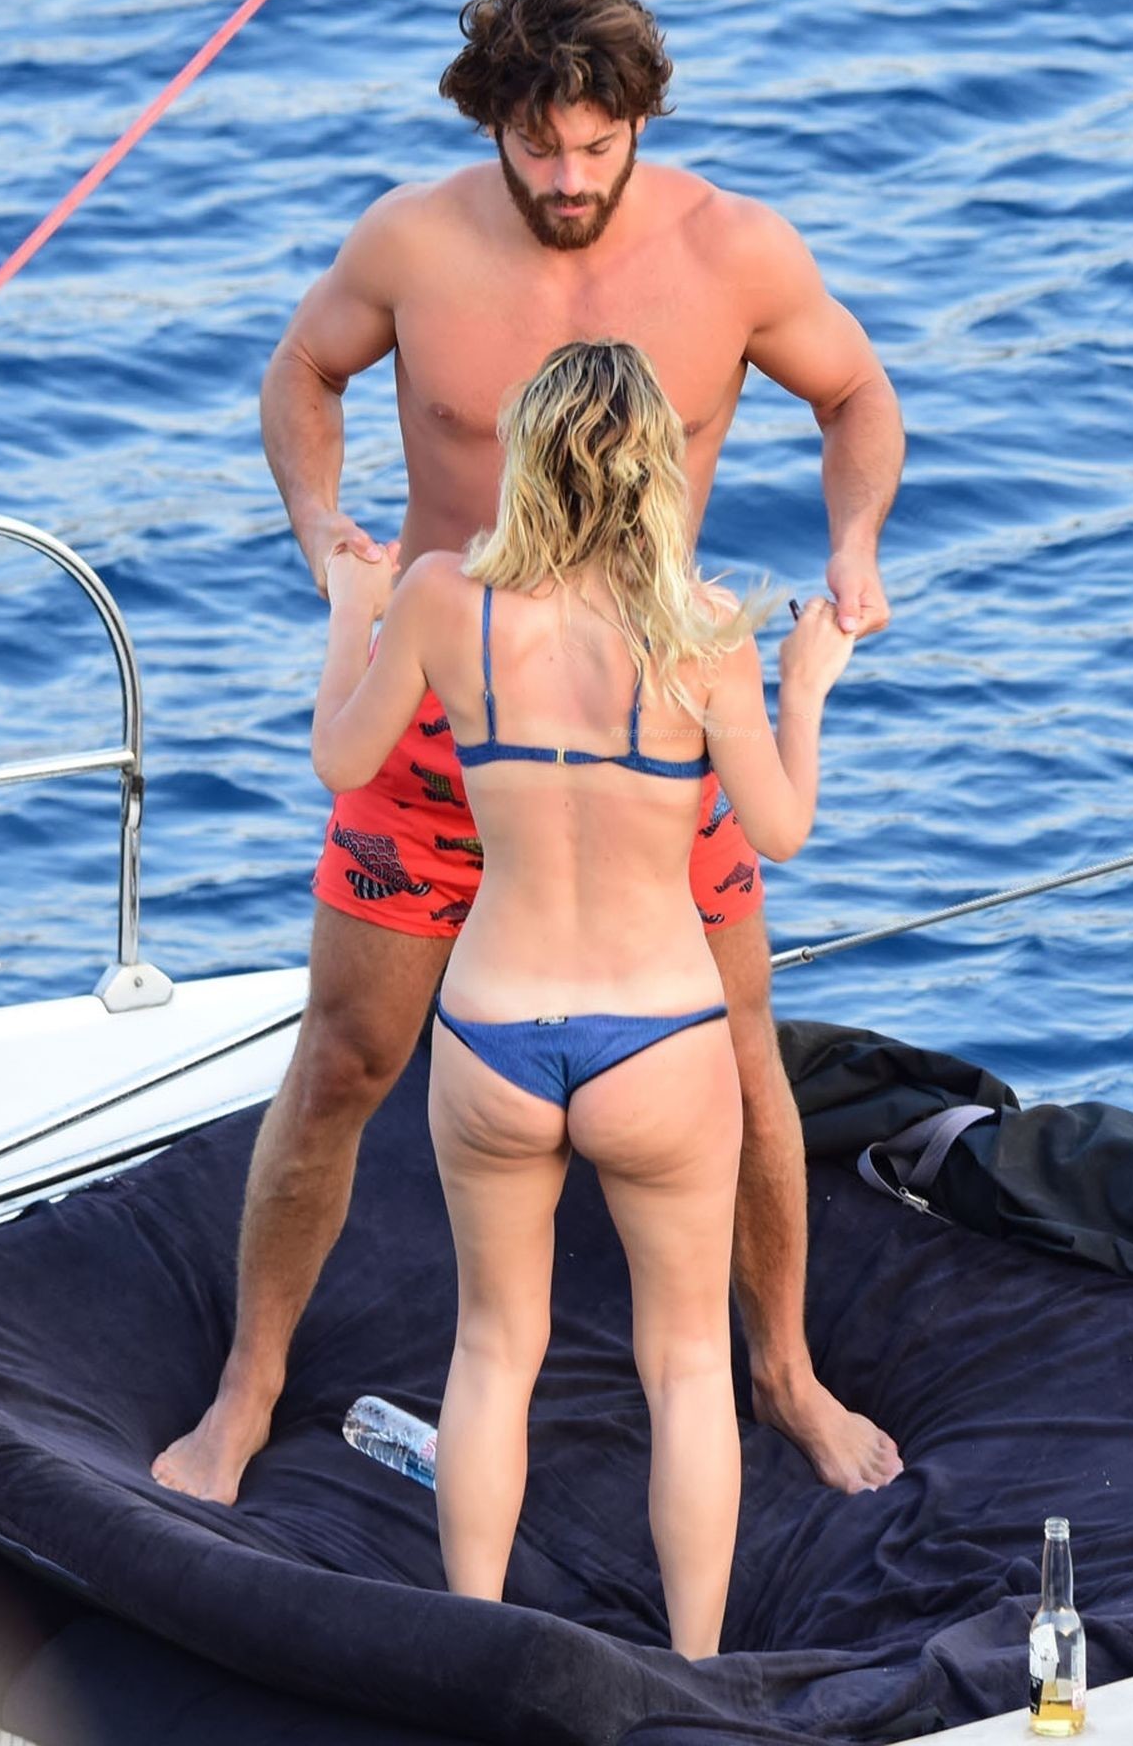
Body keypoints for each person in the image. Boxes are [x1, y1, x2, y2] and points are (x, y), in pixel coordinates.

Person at [153, 0, 905, 1509]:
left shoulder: (732, 250)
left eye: (597, 145)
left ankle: (783, 1372)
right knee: (346, 1055)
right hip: (439, 710)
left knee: (740, 1059)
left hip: (651, 720)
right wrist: (322, 532)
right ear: (488, 120)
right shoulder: (414, 241)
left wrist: (854, 546)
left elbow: (855, 397)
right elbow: (302, 369)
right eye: (536, 144)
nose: (567, 178)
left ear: (640, 120)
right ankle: (245, 1389)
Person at [312, 340, 858, 1658]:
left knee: (493, 1351)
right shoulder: (706, 630)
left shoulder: (442, 600)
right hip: (660, 1034)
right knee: (687, 1365)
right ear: (657, 469)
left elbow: (340, 757)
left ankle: (472, 1657)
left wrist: (349, 608)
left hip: (494, 1029)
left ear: (525, 455)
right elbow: (779, 830)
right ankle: (693, 1675)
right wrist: (804, 690)